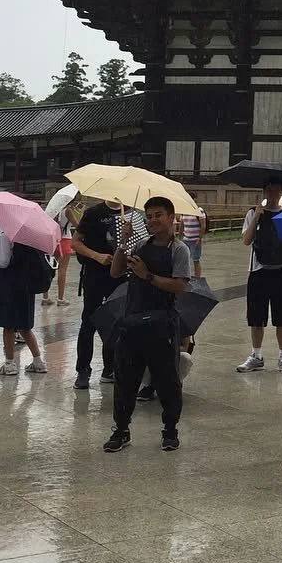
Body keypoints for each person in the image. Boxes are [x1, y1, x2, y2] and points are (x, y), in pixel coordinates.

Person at [103, 197, 191, 452]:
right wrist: (122, 244)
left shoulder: (179, 250)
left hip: (162, 324)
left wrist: (147, 276)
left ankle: (170, 429)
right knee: (125, 380)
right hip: (132, 321)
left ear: (171, 216)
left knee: (167, 380)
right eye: (148, 216)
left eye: (158, 215)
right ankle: (121, 430)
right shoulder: (140, 245)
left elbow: (180, 286)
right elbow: (115, 272)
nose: (152, 220)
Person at [237, 179, 282, 373]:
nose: (272, 194)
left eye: (276, 190)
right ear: (264, 192)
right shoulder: (253, 213)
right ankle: (256, 354)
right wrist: (256, 217)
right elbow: (246, 240)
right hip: (258, 271)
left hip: (280, 270)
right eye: (269, 190)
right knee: (256, 316)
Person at [72, 200, 124, 388]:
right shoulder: (93, 212)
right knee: (90, 321)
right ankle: (83, 370)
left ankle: (110, 367)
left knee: (116, 322)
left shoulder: (131, 213)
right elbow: (75, 243)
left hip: (120, 277)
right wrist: (97, 256)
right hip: (94, 275)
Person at [0, 230, 48, 377]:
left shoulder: (5, 235)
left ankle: (9, 364)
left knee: (8, 325)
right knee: (25, 326)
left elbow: (3, 262)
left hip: (9, 285)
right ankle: (38, 361)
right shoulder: (32, 235)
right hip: (27, 285)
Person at [42, 204, 79, 308]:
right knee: (62, 270)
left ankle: (45, 297)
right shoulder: (68, 211)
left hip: (54, 240)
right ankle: (60, 298)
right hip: (65, 240)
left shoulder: (53, 210)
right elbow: (77, 226)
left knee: (50, 268)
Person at [178, 193, 207, 278]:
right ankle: (186, 277)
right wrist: (179, 237)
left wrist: (200, 238)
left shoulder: (199, 211)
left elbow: (203, 225)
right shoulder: (184, 211)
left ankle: (197, 278)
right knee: (185, 259)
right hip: (185, 239)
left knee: (195, 260)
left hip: (195, 240)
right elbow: (181, 224)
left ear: (195, 200)